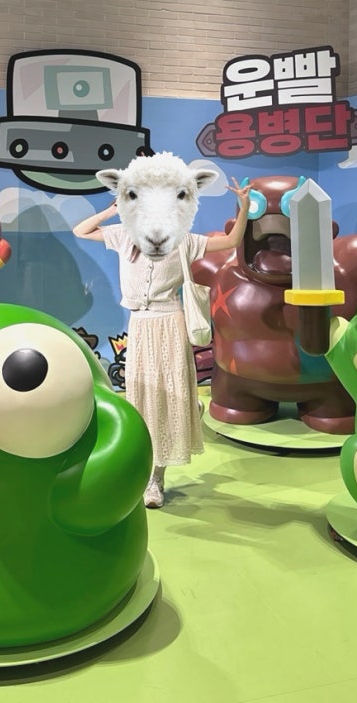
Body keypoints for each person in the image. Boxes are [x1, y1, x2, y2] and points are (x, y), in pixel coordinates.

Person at [73, 175, 250, 509]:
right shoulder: (124, 235)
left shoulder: (184, 240)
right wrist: (111, 210)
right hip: (140, 323)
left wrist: (243, 206)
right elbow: (80, 231)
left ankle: (156, 477)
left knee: (167, 397)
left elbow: (231, 241)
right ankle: (145, 463)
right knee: (143, 396)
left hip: (170, 321)